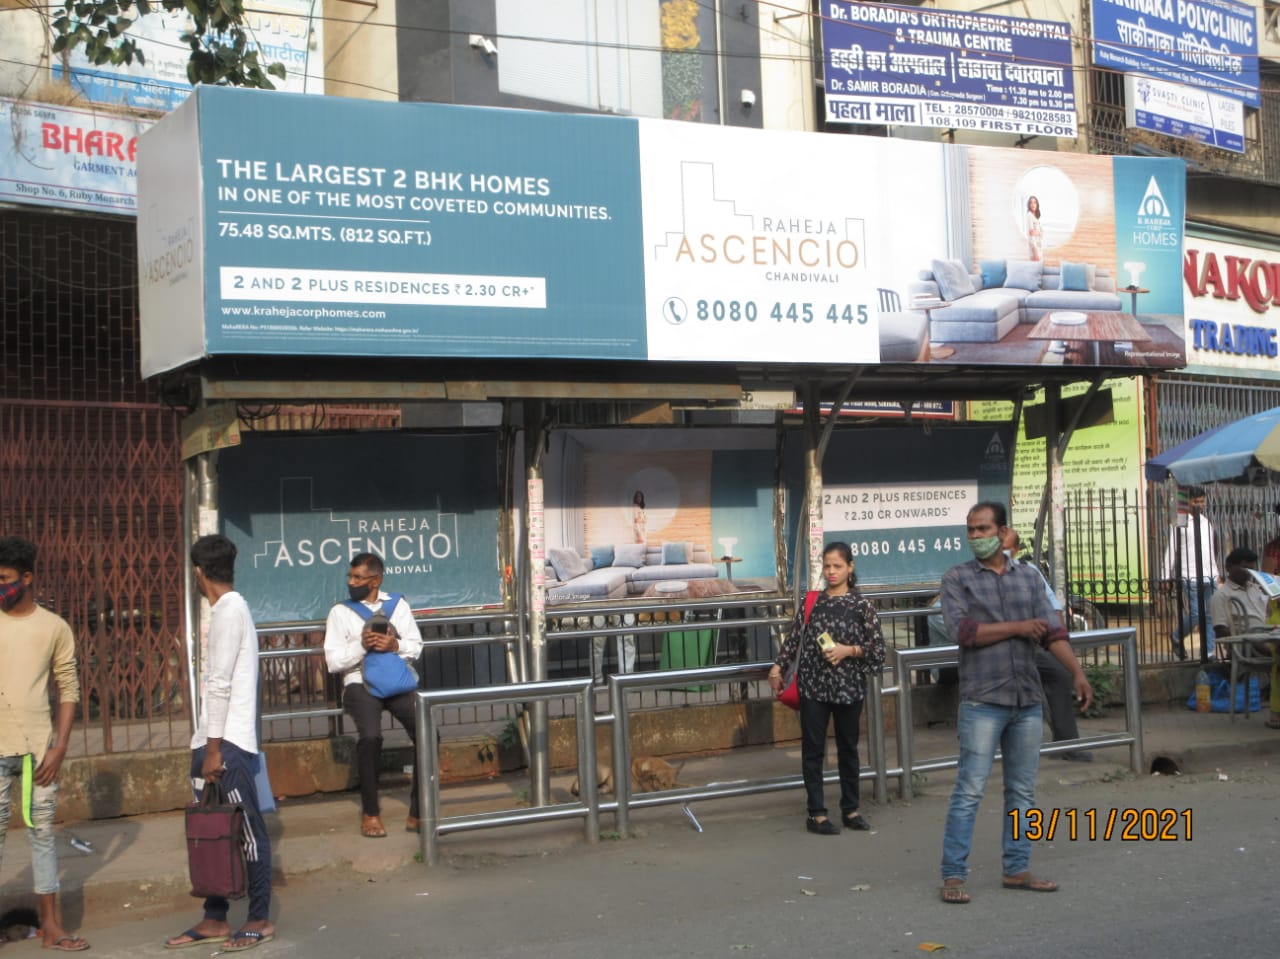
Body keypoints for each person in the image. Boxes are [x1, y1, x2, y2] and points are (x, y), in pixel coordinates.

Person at [938, 503, 1092, 904]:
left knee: (1022, 791)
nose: (975, 536)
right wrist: (1019, 628)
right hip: (983, 699)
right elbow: (964, 632)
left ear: (1002, 531)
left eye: (982, 529)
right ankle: (953, 875)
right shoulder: (958, 578)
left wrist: (1077, 673)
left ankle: (1017, 868)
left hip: (1026, 698)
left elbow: (1052, 632)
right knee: (970, 790)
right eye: (971, 530)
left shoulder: (1028, 577)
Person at [166, 535, 274, 951]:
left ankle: (259, 918)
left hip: (226, 744)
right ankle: (214, 918)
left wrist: (213, 751)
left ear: (198, 572)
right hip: (211, 740)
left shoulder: (230, 610)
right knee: (211, 830)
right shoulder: (226, 610)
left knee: (247, 833)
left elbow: (220, 685)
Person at [0, 537, 90, 952]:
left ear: (27, 578)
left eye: (5, 579)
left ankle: (51, 927)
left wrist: (60, 747)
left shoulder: (54, 627)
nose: (1, 587)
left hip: (39, 752)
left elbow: (69, 688)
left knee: (42, 834)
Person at [768, 542, 885, 835]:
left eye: (838, 566)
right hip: (813, 686)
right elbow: (794, 638)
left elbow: (877, 650)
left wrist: (849, 650)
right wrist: (778, 667)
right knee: (813, 750)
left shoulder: (862, 606)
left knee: (848, 749)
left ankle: (851, 809)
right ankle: (816, 813)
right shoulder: (813, 602)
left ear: (850, 568)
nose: (831, 571)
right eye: (827, 566)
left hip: (848, 687)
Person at [324, 552, 424, 838]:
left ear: (376, 581)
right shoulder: (340, 612)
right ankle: (370, 813)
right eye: (350, 576)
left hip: (395, 679)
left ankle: (419, 811)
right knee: (371, 737)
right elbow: (333, 662)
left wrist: (394, 646)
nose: (351, 582)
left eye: (358, 577)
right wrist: (362, 645)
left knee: (428, 734)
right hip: (359, 681)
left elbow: (417, 646)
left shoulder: (397, 605)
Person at [1001, 530, 1093, 763]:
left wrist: (1070, 663)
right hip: (991, 651)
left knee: (1059, 673)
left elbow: (1053, 612)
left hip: (1027, 647)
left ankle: (1067, 744)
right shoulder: (973, 576)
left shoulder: (1029, 573)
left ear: (1016, 551)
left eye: (1007, 547)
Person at [1207, 547, 1280, 728]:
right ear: (1229, 567)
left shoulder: (1256, 589)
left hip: (1270, 634)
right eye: (1244, 567)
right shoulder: (1221, 596)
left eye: (1251, 569)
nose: (1248, 573)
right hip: (1248, 643)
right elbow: (1220, 630)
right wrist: (1245, 637)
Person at [1162, 486, 1219, 661]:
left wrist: (1217, 572)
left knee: (1210, 615)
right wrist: (1166, 576)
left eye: (1202, 501)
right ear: (1188, 502)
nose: (1199, 505)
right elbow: (1172, 549)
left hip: (1210, 574)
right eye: (1196, 501)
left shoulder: (1206, 522)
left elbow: (1211, 550)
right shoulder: (1181, 522)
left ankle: (1208, 652)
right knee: (1197, 613)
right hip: (1191, 574)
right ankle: (1177, 636)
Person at [1025, 195, 1043, 261]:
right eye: (1031, 202)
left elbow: (1041, 232)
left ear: (1037, 204)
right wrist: (1035, 252)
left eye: (1034, 202)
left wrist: (1038, 232)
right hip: (1034, 250)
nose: (1033, 204)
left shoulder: (1036, 217)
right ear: (1029, 205)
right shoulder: (1029, 215)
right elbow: (1031, 235)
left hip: (1039, 248)